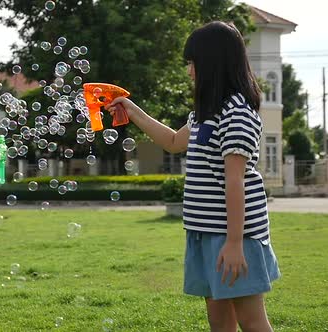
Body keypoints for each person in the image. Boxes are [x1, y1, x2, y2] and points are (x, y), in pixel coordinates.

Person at [107, 21, 280, 332]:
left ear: (213, 64)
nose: (189, 71)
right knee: (218, 320)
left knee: (251, 321)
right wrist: (132, 111)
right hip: (204, 233)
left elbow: (235, 180)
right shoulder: (205, 112)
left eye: (193, 63)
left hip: (234, 237)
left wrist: (235, 242)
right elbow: (174, 141)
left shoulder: (237, 114)